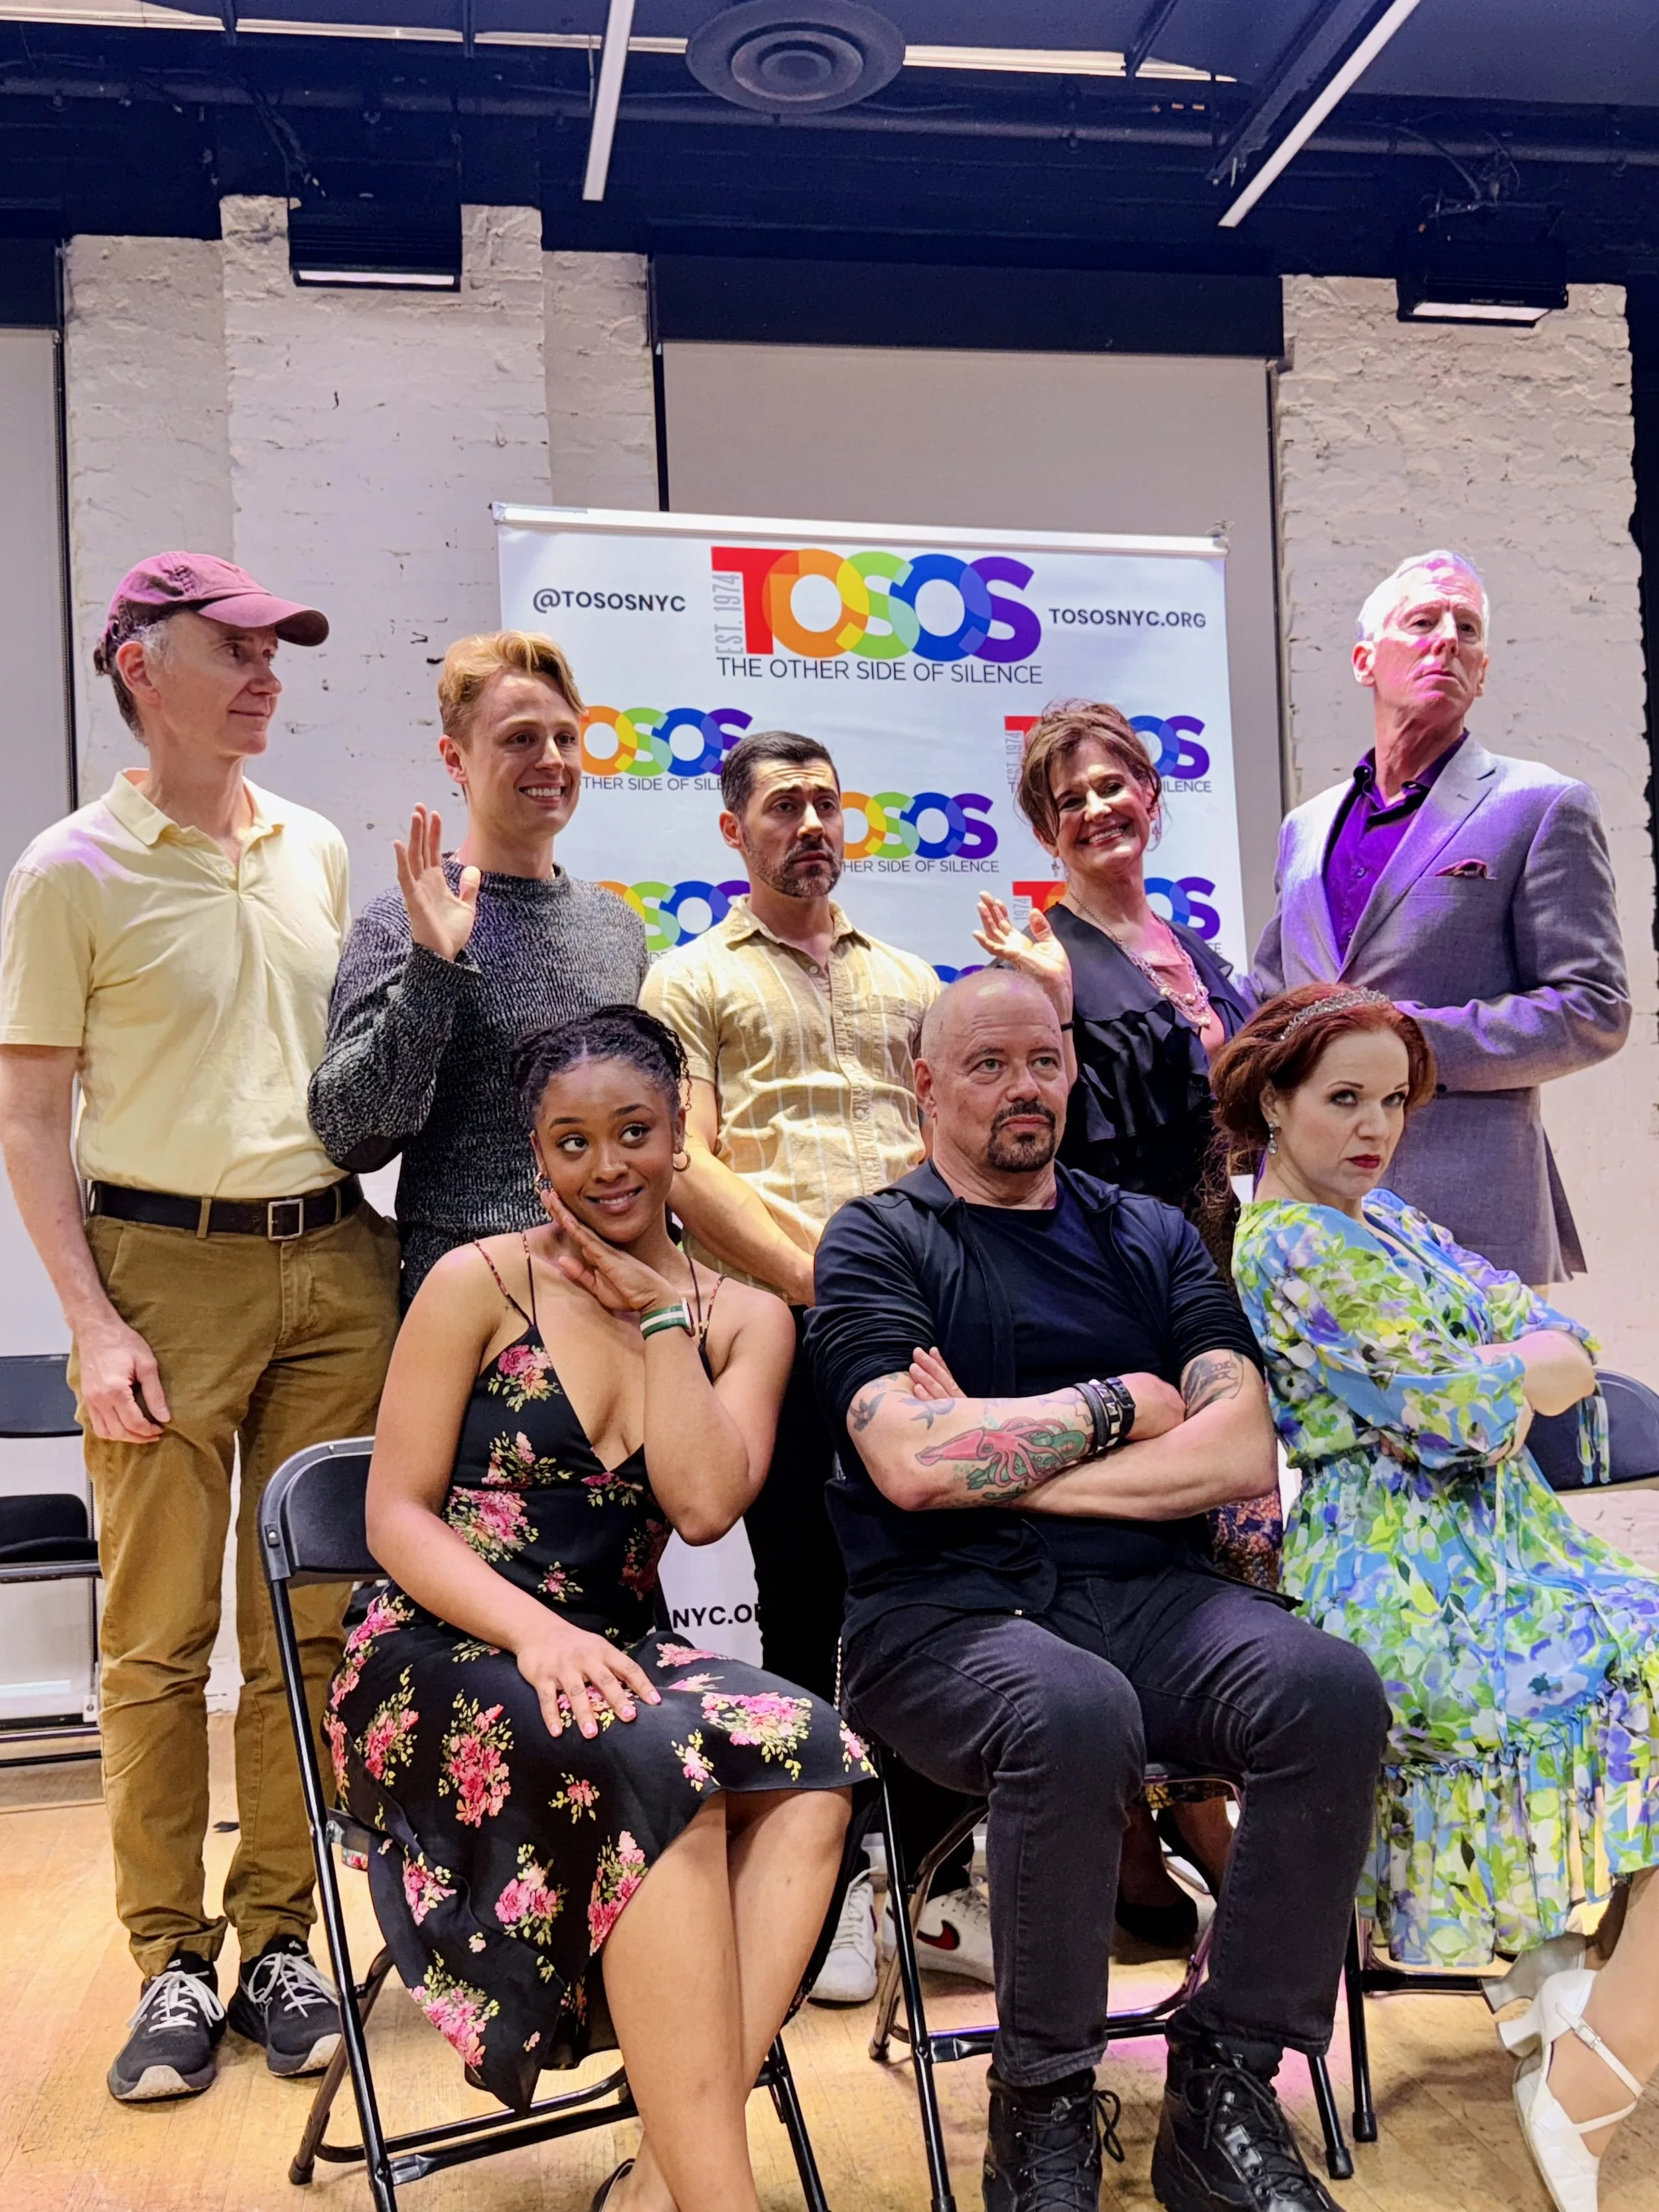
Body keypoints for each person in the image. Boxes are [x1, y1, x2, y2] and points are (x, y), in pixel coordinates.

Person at [807, 966, 1389, 2212]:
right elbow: (907, 1463)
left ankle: (1225, 2092)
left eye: (1045, 1059)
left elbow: (1240, 1450)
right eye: (989, 1064)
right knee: (1069, 1711)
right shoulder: (877, 1238)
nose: (1025, 1087)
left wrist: (1000, 1460)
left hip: (1154, 1601)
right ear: (926, 1085)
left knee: (1330, 1690)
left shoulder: (1153, 1234)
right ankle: (1042, 2114)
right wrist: (1125, 1405)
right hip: (941, 1615)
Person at [327, 1006, 860, 2212]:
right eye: (572, 1143)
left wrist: (662, 1315)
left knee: (818, 1758)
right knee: (660, 1763)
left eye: (633, 1132)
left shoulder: (744, 1316)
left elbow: (706, 1505)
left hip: (615, 1648)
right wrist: (534, 1631)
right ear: (538, 1154)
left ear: (682, 1136)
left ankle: (668, 2181)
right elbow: (395, 1516)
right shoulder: (478, 1280)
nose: (607, 1165)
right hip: (438, 1643)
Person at [0, 554, 401, 2103]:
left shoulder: (316, 847)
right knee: (159, 1643)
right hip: (159, 1276)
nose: (264, 674)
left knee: (310, 1627)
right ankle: (170, 1955)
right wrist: (90, 1322)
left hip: (334, 1266)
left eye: (273, 650)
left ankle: (279, 1937)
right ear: (140, 666)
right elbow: (30, 1122)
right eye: (231, 649)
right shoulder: (70, 871)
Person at [1220, 982, 1659, 2212]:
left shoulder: (1388, 1217)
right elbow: (1463, 1413)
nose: (1375, 1127)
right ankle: (1598, 2054)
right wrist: (1507, 1376)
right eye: (1344, 1098)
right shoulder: (1292, 1242)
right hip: (1409, 1582)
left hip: (1509, 1555)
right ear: (1275, 1101)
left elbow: (1557, 1340)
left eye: (1394, 1101)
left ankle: (1581, 2004)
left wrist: (1501, 1372)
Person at [642, 728, 1036, 1998]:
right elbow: (685, 1161)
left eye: (825, 801)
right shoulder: (690, 978)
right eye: (782, 805)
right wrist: (835, 1277)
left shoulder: (911, 978)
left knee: (946, 1595)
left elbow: (957, 1137)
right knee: (809, 1604)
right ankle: (830, 1884)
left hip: (926, 1331)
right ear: (733, 829)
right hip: (786, 1328)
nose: (811, 823)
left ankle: (932, 1881)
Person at [979, 699, 1268, 1950]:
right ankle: (1158, 1840)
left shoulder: (1193, 945)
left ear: (1152, 796)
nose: (1098, 809)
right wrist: (1051, 1003)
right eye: (1071, 799)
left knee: (1226, 1549)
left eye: (1114, 786)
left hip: (1224, 1273)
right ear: (1046, 828)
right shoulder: (1037, 952)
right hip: (1114, 1285)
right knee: (1137, 1553)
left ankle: (1194, 1815)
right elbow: (1045, 1131)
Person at [1250, 548, 1629, 1283]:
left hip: (1467, 1227)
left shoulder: (1541, 805)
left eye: (1468, 628)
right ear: (1365, 661)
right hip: (1309, 1221)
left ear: (1482, 673)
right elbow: (1273, 997)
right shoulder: (1306, 826)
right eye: (1423, 621)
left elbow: (1594, 1009)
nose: (1448, 639)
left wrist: (1404, 1045)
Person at [310, 630, 648, 1300]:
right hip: (474, 1302)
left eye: (565, 738)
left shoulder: (618, 926)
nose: (551, 760)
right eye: (520, 738)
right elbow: (349, 1132)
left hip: (615, 1289)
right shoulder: (401, 920)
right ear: (455, 759)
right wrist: (433, 966)